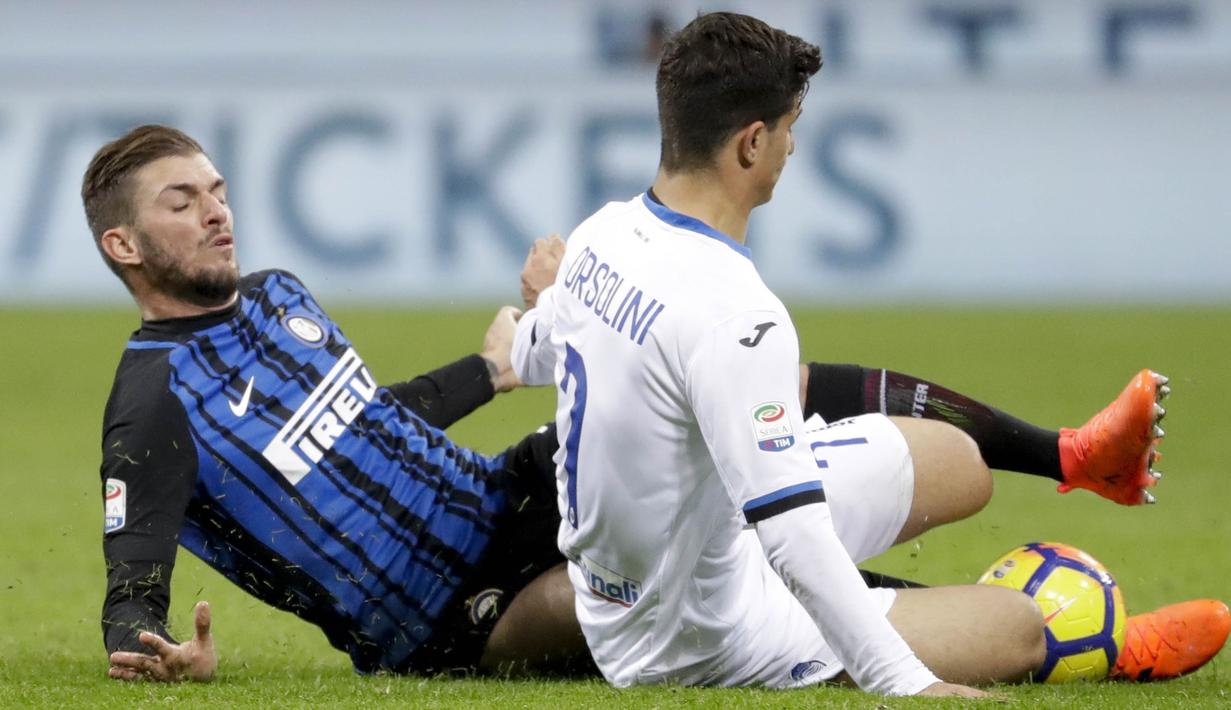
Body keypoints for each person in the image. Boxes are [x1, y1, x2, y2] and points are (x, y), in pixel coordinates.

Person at [509, 12, 1227, 697]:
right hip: (693, 630)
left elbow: (539, 354)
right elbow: (790, 534)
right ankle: (1104, 645)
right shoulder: (736, 312)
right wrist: (905, 681)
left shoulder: (600, 235)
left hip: (686, 552)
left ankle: (1034, 502)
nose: (792, 148)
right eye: (790, 129)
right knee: (1015, 626)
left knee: (957, 462)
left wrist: (522, 326)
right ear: (751, 143)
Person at [85, 124, 585, 682]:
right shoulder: (155, 403)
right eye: (182, 203)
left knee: (657, 442)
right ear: (123, 245)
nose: (216, 213)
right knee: (631, 601)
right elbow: (131, 588)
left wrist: (489, 369)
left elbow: (363, 420)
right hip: (448, 618)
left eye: (218, 194)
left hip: (503, 492)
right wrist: (161, 655)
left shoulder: (278, 293)